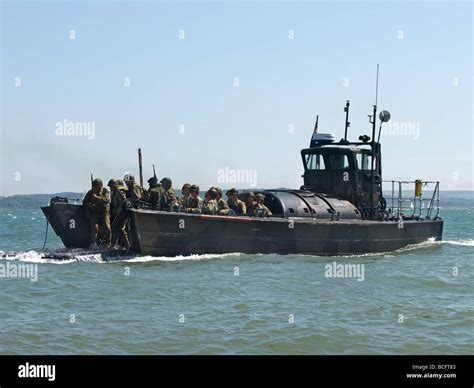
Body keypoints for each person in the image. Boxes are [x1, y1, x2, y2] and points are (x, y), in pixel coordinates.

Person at [82, 178, 111, 248]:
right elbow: (84, 202)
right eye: (94, 187)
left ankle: (108, 243)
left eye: (97, 187)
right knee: (94, 228)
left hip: (104, 213)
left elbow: (107, 200)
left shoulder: (105, 191)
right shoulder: (90, 192)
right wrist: (90, 205)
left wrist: (97, 198)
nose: (95, 188)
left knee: (107, 228)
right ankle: (94, 243)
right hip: (94, 213)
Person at [107, 179, 130, 248]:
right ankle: (115, 245)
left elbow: (124, 201)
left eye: (111, 186)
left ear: (114, 186)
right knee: (116, 229)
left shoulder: (118, 192)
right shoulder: (114, 192)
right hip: (118, 213)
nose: (110, 188)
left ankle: (126, 246)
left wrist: (119, 208)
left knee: (120, 229)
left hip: (121, 213)